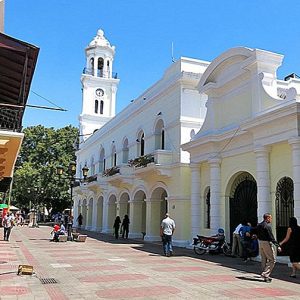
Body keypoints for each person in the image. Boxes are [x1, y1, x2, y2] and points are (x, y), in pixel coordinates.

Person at [256, 213, 281, 283]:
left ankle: (265, 276)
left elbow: (256, 233)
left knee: (264, 259)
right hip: (266, 243)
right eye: (270, 218)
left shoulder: (259, 225)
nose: (271, 219)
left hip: (260, 243)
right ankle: (265, 274)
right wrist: (277, 246)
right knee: (272, 260)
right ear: (267, 218)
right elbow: (271, 237)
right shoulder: (267, 226)